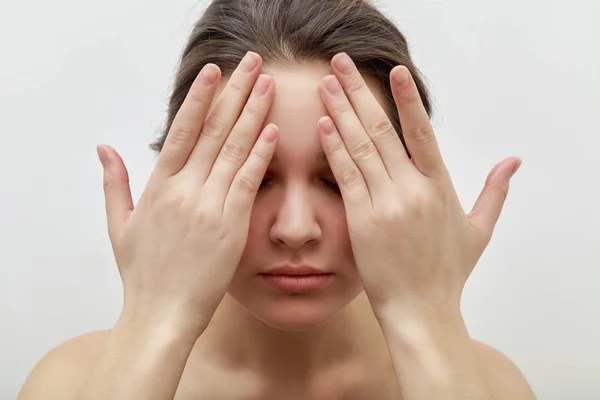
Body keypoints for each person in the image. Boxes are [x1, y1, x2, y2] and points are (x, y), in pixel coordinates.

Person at [17, 0, 537, 398]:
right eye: (253, 176)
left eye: (339, 178)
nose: (294, 229)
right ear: (177, 186)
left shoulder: (489, 384)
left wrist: (424, 319)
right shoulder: (72, 383)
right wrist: (157, 316)